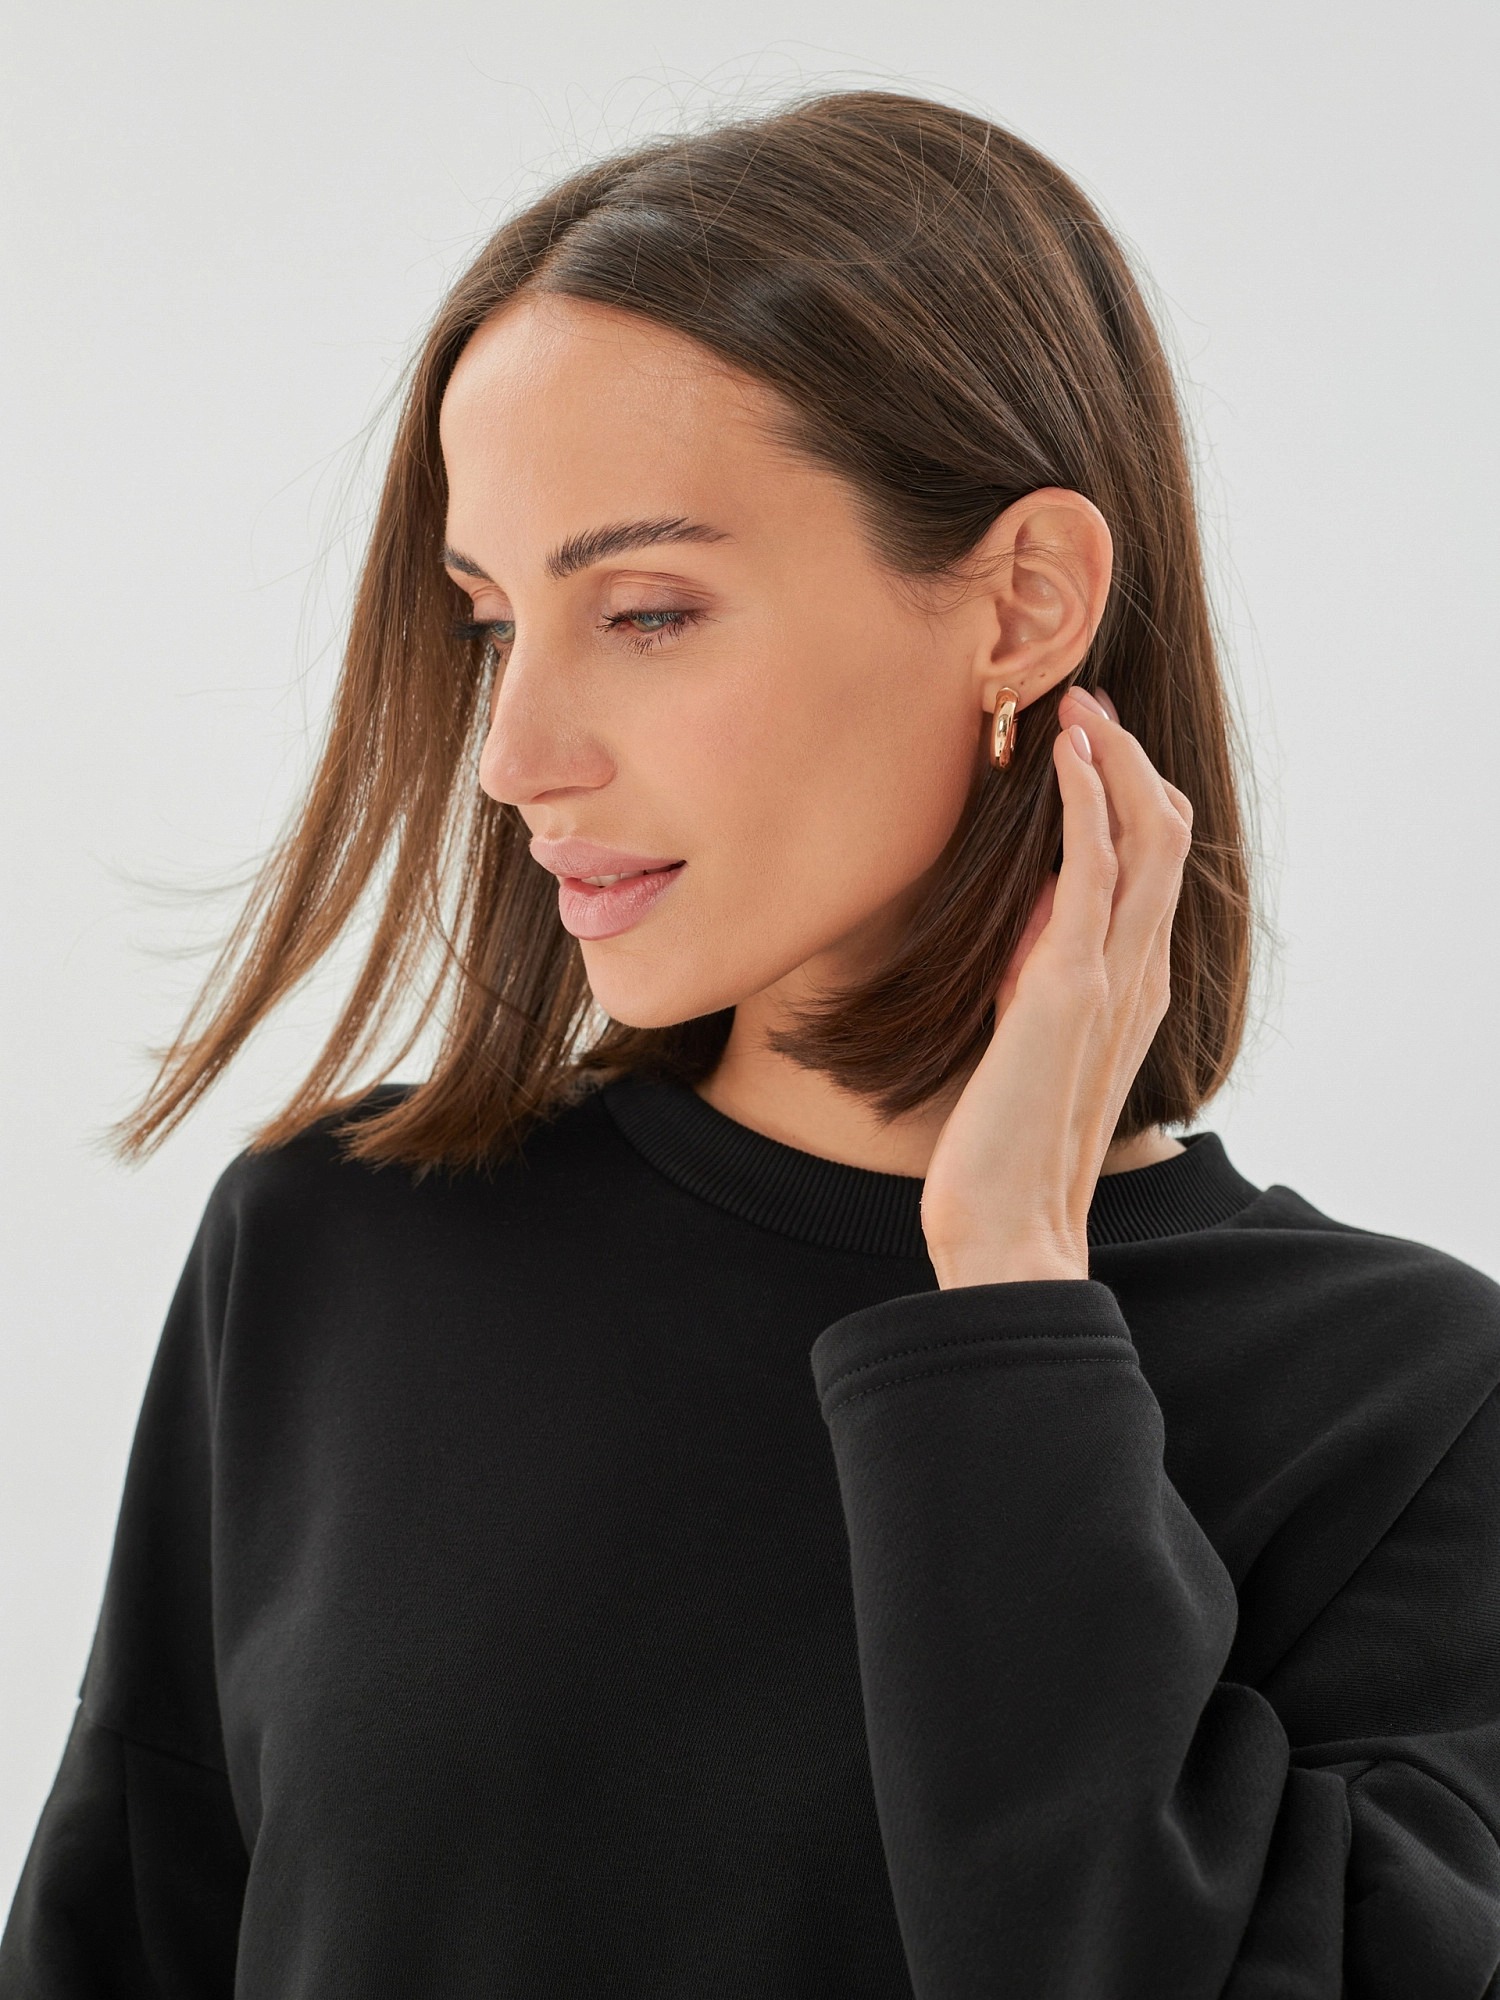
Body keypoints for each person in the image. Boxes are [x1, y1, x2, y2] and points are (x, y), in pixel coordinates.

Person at [3, 86, 1498, 2000]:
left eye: (646, 612)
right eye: (490, 624)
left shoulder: (1411, 1411)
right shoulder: (334, 1249)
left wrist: (1009, 1298)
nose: (512, 757)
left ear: (1024, 604)